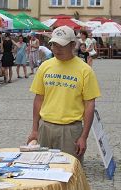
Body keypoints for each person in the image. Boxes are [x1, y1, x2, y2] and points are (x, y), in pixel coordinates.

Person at [26, 26, 101, 162]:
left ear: (73, 45)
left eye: (61, 45)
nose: (56, 49)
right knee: (42, 169)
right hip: (45, 128)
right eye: (54, 44)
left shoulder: (85, 70)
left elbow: (89, 104)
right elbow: (38, 99)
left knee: (69, 173)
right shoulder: (45, 66)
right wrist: (35, 129)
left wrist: (84, 137)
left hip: (71, 130)